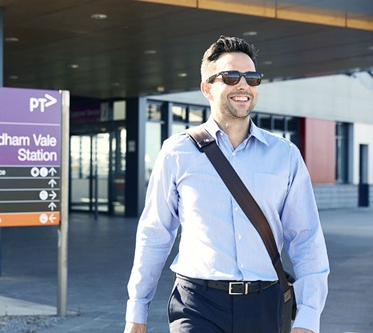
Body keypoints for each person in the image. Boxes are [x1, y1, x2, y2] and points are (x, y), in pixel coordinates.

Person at [124, 35, 329, 333]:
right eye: (231, 76)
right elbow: (155, 233)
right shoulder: (177, 152)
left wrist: (309, 317)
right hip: (196, 303)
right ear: (207, 88)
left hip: (265, 303)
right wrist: (136, 310)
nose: (243, 86)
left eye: (252, 78)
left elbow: (306, 238)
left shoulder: (285, 156)